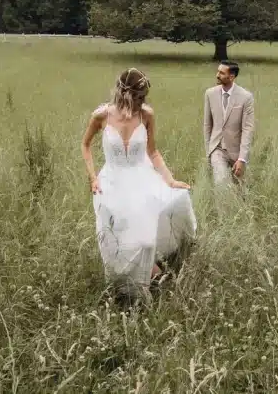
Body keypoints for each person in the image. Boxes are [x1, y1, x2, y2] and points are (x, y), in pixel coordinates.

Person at [81, 68, 197, 297]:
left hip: (141, 180)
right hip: (110, 184)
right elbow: (85, 145)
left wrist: (170, 179)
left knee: (143, 239)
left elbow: (153, 152)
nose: (142, 102)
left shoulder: (146, 115)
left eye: (143, 98)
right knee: (117, 236)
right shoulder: (101, 116)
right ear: (125, 94)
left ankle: (149, 276)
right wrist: (93, 178)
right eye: (138, 97)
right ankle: (124, 286)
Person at [203, 60, 256, 186]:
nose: (217, 75)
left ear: (231, 77)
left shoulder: (246, 97)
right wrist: (208, 151)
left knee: (239, 191)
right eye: (218, 71)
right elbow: (207, 125)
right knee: (221, 184)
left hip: (236, 151)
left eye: (221, 73)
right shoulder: (210, 93)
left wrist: (242, 158)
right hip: (217, 148)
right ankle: (221, 205)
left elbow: (247, 129)